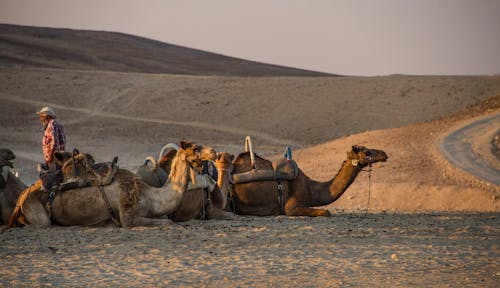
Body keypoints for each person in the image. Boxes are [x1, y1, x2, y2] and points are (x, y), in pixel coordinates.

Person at [37, 106, 66, 170]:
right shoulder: (57, 124)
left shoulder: (51, 124)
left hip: (53, 159)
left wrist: (50, 157)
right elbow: (63, 141)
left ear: (47, 117)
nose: (41, 119)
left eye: (42, 117)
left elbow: (54, 142)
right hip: (58, 157)